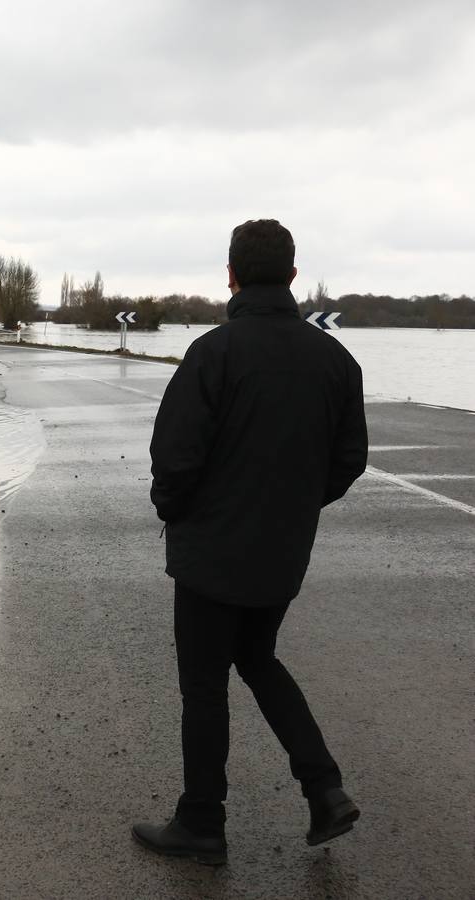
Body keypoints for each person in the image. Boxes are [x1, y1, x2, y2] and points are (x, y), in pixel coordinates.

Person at [133, 219, 369, 866]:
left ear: (231, 274)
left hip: (211, 556)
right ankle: (324, 789)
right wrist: (294, 506)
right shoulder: (337, 362)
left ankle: (201, 823)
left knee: (205, 685)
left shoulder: (214, 353)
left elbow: (174, 460)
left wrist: (179, 515)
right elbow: (350, 458)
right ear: (293, 276)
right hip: (281, 553)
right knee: (258, 659)